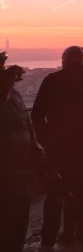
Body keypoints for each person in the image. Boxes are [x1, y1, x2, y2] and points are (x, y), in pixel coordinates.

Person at [31, 46, 83, 250]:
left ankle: (49, 239)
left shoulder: (52, 81)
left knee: (54, 196)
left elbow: (36, 115)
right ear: (82, 59)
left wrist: (46, 140)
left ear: (65, 59)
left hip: (58, 149)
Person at [0, 53, 37, 252]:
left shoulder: (14, 94)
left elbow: (28, 127)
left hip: (20, 175)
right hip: (6, 176)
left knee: (16, 231)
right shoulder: (8, 92)